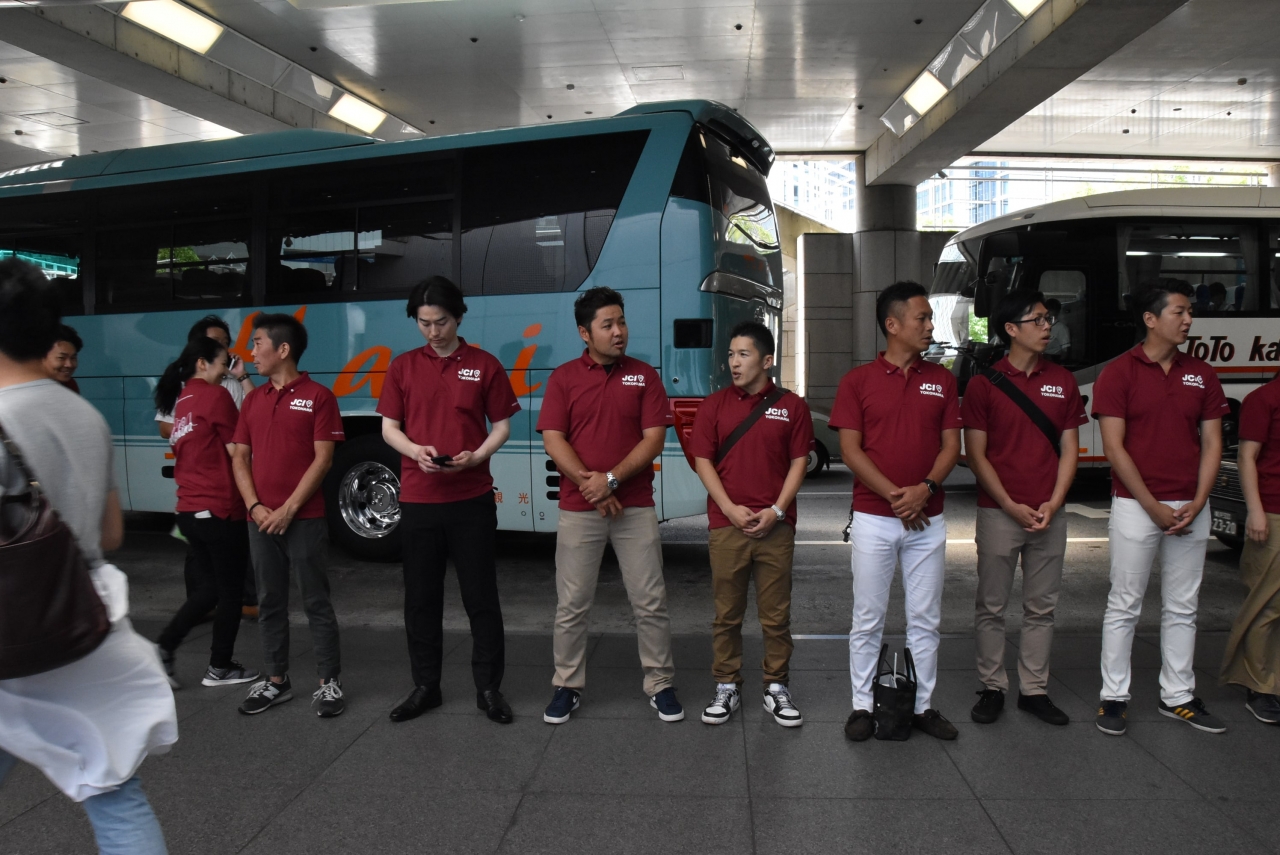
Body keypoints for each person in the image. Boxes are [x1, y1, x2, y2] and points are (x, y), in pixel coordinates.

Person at [0, 258, 176, 855]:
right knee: (115, 792)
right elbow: (111, 534)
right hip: (81, 622)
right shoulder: (85, 415)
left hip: (10, 629)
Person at [378, 277, 520, 725]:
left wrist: (476, 456)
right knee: (421, 599)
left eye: (440, 322)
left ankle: (489, 689)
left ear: (458, 317)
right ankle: (426, 686)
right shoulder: (403, 366)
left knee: (481, 596)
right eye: (423, 323)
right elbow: (389, 428)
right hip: (419, 499)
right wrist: (414, 451)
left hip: (471, 498)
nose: (433, 331)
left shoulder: (484, 364)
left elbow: (501, 425)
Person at [537, 287, 681, 724]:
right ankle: (566, 685)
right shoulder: (563, 378)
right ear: (585, 333)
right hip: (579, 508)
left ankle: (660, 683)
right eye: (607, 325)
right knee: (572, 604)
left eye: (621, 322)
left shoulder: (644, 376)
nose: (619, 332)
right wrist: (591, 485)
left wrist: (612, 480)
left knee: (650, 601)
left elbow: (653, 439)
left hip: (634, 506)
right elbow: (553, 439)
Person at [1092, 279, 1229, 736]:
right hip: (1136, 506)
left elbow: (1213, 442)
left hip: (1191, 505)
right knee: (1124, 604)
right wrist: (1152, 506)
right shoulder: (1119, 373)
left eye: (1190, 312)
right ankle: (1113, 697)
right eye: (1179, 312)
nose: (1188, 320)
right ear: (1150, 319)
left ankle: (1178, 696)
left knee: (1183, 606)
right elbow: (1114, 448)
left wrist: (1200, 500)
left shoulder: (1201, 373)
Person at [830, 281, 962, 742]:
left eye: (929, 319)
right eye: (922, 318)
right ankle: (862, 706)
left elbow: (951, 446)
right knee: (868, 617)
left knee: (925, 619)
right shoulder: (857, 382)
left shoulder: (942, 379)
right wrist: (896, 497)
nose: (930, 326)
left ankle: (922, 706)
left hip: (929, 519)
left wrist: (924, 490)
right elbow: (850, 451)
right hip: (873, 518)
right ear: (892, 324)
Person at [963, 291, 1086, 727]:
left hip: (1049, 512)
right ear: (1011, 329)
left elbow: (1070, 449)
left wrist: (1055, 500)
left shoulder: (1063, 381)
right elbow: (976, 455)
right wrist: (1008, 504)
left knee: (1042, 607)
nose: (1047, 326)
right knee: (991, 605)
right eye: (1037, 320)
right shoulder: (984, 385)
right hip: (999, 512)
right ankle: (992, 686)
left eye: (1048, 318)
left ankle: (1034, 690)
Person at [690, 321, 813, 727]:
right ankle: (726, 684)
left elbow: (799, 462)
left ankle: (776, 686)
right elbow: (703, 461)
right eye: (730, 354)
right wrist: (728, 508)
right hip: (727, 526)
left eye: (743, 354)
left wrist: (777, 510)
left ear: (767, 360)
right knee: (727, 614)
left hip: (777, 526)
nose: (734, 362)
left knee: (776, 616)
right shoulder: (713, 405)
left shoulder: (792, 406)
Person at [231, 314, 347, 718]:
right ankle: (277, 681)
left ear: (283, 349)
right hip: (260, 520)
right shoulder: (252, 400)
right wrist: (255, 507)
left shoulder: (319, 397)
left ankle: (329, 682)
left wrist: (288, 509)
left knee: (315, 600)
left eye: (257, 342)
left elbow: (323, 459)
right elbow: (240, 457)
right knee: (269, 601)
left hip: (305, 518)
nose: (251, 352)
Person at [151, 336, 260, 690]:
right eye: (223, 363)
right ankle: (219, 666)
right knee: (229, 592)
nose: (226, 370)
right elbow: (238, 451)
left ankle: (165, 646)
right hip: (219, 509)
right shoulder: (216, 396)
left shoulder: (184, 399)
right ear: (202, 363)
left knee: (211, 588)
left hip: (188, 510)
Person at [1220, 376, 1280, 724]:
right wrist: (1255, 511)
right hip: (1272, 512)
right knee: (1266, 604)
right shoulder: (1264, 399)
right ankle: (1258, 687)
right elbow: (1246, 457)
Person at [156, 315, 255, 441]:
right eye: (215, 341)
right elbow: (164, 429)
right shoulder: (179, 383)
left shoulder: (233, 379)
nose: (222, 347)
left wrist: (242, 375)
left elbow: (257, 411)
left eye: (225, 343)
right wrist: (204, 431)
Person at [42, 323, 81, 393]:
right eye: (61, 358)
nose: (69, 365)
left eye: (73, 358)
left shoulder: (70, 385)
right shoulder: (27, 388)